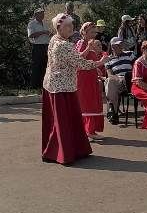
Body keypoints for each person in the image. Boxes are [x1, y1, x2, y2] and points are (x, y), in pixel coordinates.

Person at [41, 14, 103, 165]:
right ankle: (63, 153)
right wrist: (100, 62)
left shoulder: (54, 39)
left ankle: (71, 150)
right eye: (67, 26)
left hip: (56, 85)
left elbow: (74, 60)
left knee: (68, 120)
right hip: (61, 88)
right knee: (63, 121)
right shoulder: (63, 44)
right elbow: (80, 63)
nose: (71, 29)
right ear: (58, 28)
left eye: (71, 26)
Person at [75, 23, 110, 140]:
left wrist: (96, 68)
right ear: (84, 32)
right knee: (88, 103)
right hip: (84, 78)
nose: (94, 34)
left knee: (93, 102)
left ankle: (90, 130)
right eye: (92, 32)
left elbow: (89, 60)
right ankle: (89, 130)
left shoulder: (90, 43)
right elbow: (78, 59)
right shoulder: (82, 43)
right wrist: (88, 49)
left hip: (91, 76)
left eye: (95, 32)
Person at [104, 37, 135, 124]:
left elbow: (137, 68)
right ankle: (114, 112)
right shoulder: (108, 59)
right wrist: (118, 78)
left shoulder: (129, 54)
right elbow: (110, 74)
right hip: (117, 81)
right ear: (113, 47)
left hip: (129, 81)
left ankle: (112, 109)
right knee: (109, 80)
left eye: (121, 44)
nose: (121, 46)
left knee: (109, 82)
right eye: (118, 45)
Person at [27, 7, 51, 88]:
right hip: (37, 46)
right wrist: (43, 32)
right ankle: (34, 86)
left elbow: (48, 33)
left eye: (43, 13)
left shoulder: (46, 23)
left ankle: (44, 85)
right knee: (36, 66)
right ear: (36, 15)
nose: (42, 15)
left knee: (45, 65)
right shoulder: (31, 24)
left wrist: (49, 34)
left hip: (46, 46)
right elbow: (31, 35)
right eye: (41, 13)